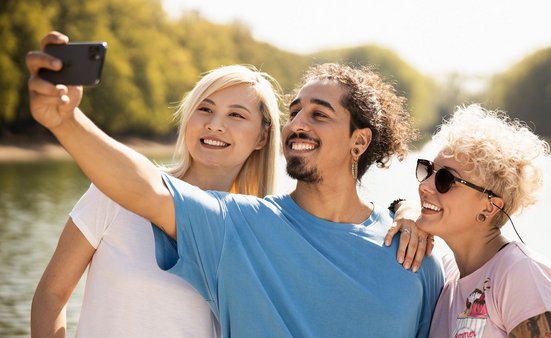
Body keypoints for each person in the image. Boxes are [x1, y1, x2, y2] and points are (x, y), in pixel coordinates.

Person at [28, 31, 444, 337]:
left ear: (360, 141)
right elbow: (144, 188)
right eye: (295, 112)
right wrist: (66, 122)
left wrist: (408, 211)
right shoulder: (242, 227)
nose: (298, 123)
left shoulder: (417, 258)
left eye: (319, 114)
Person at [29, 35, 283, 337]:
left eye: (236, 115)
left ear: (262, 137)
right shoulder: (114, 189)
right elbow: (51, 294)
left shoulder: (257, 233)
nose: (215, 124)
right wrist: (64, 119)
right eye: (205, 109)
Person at [413, 104, 551, 337]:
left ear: (490, 206)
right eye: (428, 171)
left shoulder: (522, 275)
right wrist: (402, 214)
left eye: (445, 179)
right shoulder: (445, 273)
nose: (425, 186)